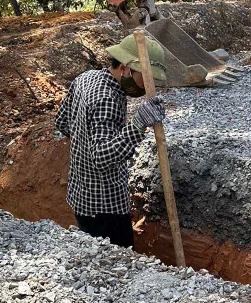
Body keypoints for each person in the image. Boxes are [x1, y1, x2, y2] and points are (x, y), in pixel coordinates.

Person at [55, 34, 169, 247]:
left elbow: (62, 122)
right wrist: (138, 124)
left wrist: (83, 142)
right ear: (125, 68)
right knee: (119, 264)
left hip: (81, 198)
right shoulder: (108, 98)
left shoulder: (86, 78)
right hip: (105, 206)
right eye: (144, 77)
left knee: (97, 258)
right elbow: (101, 157)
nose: (147, 85)